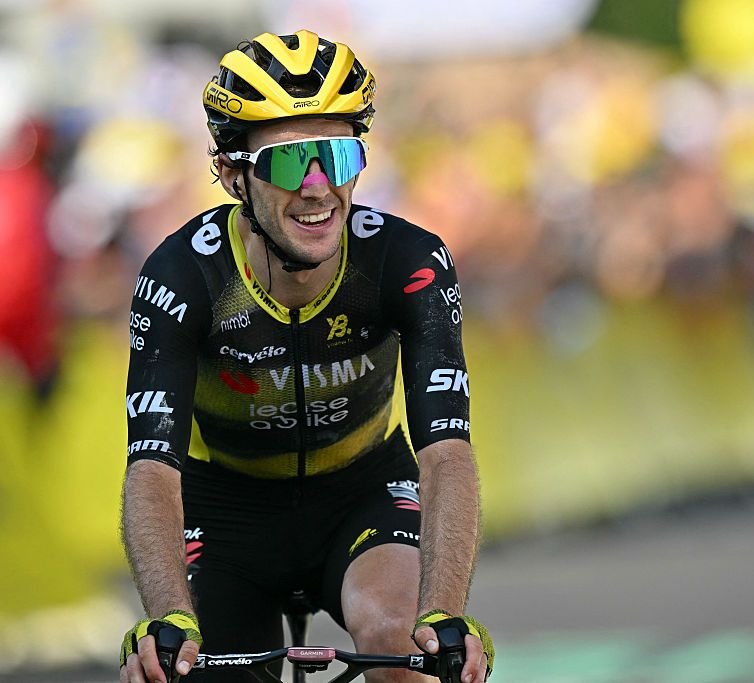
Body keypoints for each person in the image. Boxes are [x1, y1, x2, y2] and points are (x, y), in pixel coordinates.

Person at [117, 29, 494, 683]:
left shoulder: (407, 262)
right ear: (233, 174)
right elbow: (151, 468)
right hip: (225, 510)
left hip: (364, 492)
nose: (319, 189)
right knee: (180, 666)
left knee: (408, 644)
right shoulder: (184, 276)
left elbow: (446, 453)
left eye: (338, 157)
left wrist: (444, 611)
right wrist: (168, 614)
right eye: (292, 164)